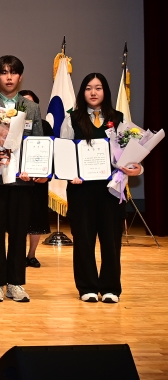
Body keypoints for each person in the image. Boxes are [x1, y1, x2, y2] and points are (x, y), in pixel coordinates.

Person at [61, 73, 142, 303]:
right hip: (81, 190)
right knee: (84, 240)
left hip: (111, 189)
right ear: (82, 92)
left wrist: (137, 168)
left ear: (105, 91)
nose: (93, 92)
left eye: (98, 88)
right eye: (88, 88)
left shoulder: (118, 118)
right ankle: (87, 287)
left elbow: (130, 154)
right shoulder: (72, 118)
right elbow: (64, 151)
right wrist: (70, 174)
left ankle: (110, 288)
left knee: (111, 239)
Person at [0, 55, 44, 303]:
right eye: (4, 72)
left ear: (20, 76)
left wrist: (34, 169)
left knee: (18, 231)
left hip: (22, 180)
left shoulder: (31, 107)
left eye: (13, 73)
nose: (9, 77)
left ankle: (15, 282)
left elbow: (37, 142)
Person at [18, 89, 54, 268]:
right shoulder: (10, 125)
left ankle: (31, 254)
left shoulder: (45, 126)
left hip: (38, 179)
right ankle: (17, 254)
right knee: (18, 218)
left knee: (37, 218)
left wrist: (46, 175)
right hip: (17, 180)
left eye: (30, 103)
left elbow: (51, 152)